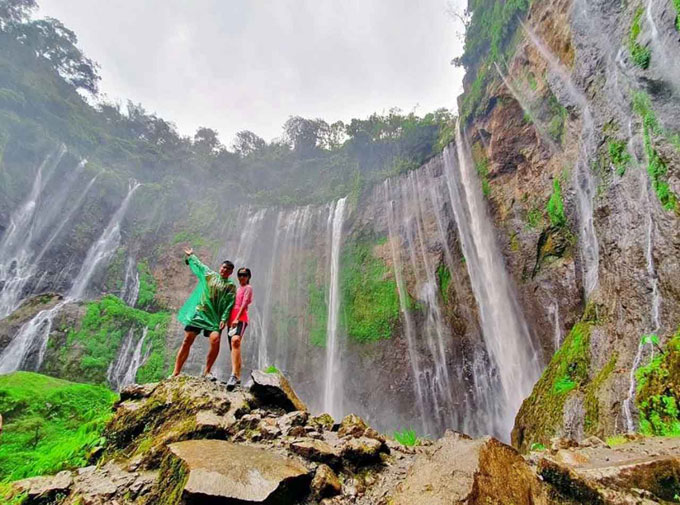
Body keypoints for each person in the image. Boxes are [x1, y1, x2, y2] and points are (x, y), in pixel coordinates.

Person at [172, 247, 237, 378]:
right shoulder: (210, 275)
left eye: (227, 269)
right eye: (223, 267)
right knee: (187, 340)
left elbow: (230, 304)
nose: (224, 270)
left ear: (231, 272)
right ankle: (176, 371)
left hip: (214, 318)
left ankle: (207, 371)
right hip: (199, 313)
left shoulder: (231, 286)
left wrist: (224, 319)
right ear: (220, 267)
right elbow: (200, 266)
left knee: (215, 340)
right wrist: (192, 256)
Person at [226, 267, 253, 390]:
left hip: (241, 319)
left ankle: (234, 375)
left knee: (235, 341)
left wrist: (237, 318)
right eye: (240, 275)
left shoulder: (248, 288)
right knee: (234, 346)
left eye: (245, 275)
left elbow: (244, 303)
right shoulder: (236, 289)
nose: (242, 277)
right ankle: (237, 376)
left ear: (248, 277)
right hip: (230, 319)